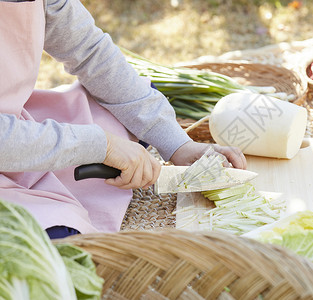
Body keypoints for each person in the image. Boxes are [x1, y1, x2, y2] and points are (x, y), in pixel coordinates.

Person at [0, 0, 246, 239]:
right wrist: (101, 146)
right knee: (56, 241)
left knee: (129, 111)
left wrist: (179, 144)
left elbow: (93, 56)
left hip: (22, 133)